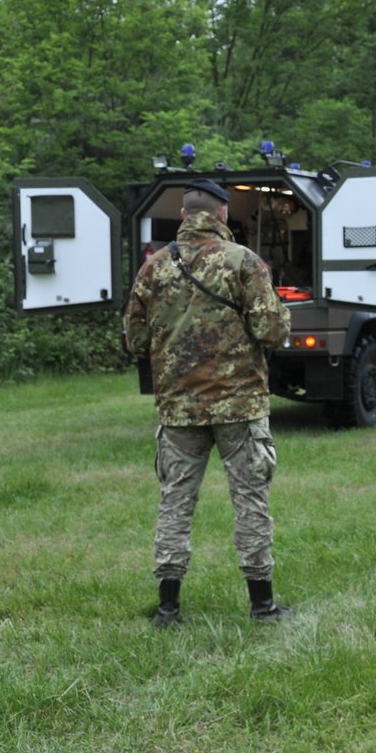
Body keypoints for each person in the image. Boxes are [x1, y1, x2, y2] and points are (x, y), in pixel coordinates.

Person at [122, 177, 293, 627]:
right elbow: (273, 331)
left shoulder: (153, 268)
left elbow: (135, 340)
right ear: (221, 214)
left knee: (175, 503)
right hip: (239, 407)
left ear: (183, 215)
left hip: (178, 409)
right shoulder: (244, 263)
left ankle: (167, 608)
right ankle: (262, 606)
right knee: (250, 502)